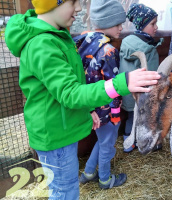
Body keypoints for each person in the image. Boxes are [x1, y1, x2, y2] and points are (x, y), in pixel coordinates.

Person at [4, 0, 160, 199]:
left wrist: (87, 111)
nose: (78, 8)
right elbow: (69, 93)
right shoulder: (42, 44)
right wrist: (122, 83)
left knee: (67, 187)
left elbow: (69, 84)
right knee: (65, 192)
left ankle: (89, 172)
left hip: (62, 129)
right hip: (55, 136)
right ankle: (103, 177)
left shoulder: (62, 37)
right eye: (73, 2)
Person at [73, 0, 129, 189]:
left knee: (102, 139)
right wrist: (115, 113)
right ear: (106, 22)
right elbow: (114, 86)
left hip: (89, 106)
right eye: (117, 23)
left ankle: (89, 172)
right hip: (106, 109)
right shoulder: (109, 50)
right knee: (108, 144)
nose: (121, 28)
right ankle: (105, 179)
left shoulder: (81, 42)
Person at [119, 3, 163, 153]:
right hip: (142, 94)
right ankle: (139, 143)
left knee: (131, 117)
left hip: (126, 90)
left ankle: (127, 142)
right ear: (141, 25)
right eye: (153, 23)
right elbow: (151, 74)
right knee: (142, 119)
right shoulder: (148, 49)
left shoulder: (126, 42)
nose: (156, 27)